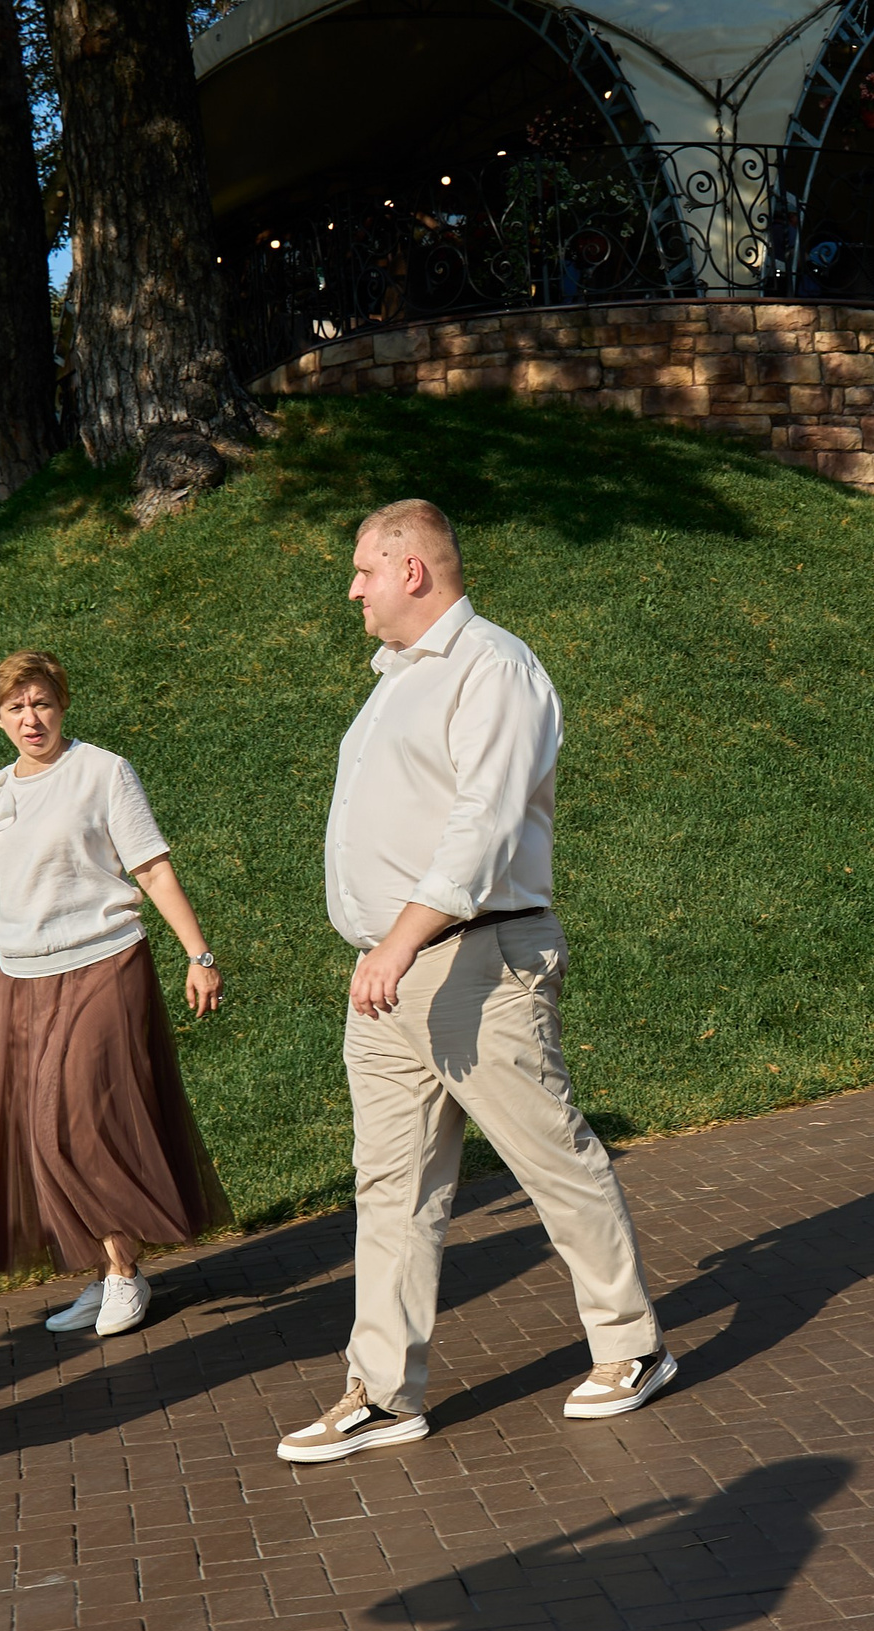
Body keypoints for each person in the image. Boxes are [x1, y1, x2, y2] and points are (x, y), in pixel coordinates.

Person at [281, 498, 671, 1463]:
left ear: (413, 569)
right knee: (392, 1188)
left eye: (364, 568)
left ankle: (633, 1344)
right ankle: (383, 1391)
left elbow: (485, 826)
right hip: (388, 976)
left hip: (475, 958)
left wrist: (400, 942)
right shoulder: (393, 682)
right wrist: (382, 951)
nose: (352, 588)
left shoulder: (494, 667)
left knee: (549, 1155)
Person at [0, 651, 231, 1336]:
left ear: (62, 704)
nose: (31, 717)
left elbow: (153, 868)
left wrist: (199, 954)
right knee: (35, 1131)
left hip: (105, 964)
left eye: (42, 702)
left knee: (76, 1121)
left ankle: (122, 1273)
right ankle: (104, 1267)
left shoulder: (102, 772)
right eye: (16, 707)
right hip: (19, 979)